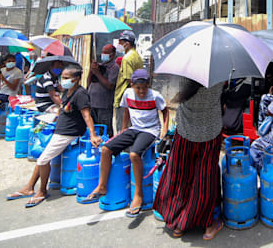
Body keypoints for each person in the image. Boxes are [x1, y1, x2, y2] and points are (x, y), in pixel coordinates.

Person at [6, 65, 102, 207]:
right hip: (59, 129)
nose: (63, 80)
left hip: (68, 133)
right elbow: (65, 108)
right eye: (62, 77)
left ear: (76, 79)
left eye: (66, 78)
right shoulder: (68, 92)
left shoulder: (81, 94)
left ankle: (42, 191)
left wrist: (93, 135)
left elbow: (86, 115)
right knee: (43, 156)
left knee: (43, 160)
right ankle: (29, 187)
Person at [82, 69, 169, 216]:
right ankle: (102, 186)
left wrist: (164, 130)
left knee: (134, 155)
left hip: (150, 131)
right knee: (106, 149)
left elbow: (165, 111)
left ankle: (138, 195)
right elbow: (127, 110)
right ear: (132, 84)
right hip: (133, 128)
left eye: (144, 87)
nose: (141, 91)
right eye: (138, 88)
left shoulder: (155, 96)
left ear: (149, 85)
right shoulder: (128, 93)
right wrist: (123, 129)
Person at [153, 77, 224, 240]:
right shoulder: (218, 73)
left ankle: (178, 224)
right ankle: (208, 226)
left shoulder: (185, 73)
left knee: (180, 176)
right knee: (204, 180)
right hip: (210, 133)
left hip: (185, 132)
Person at [114, 30, 144, 134]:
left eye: (120, 43)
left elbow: (130, 79)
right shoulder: (137, 56)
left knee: (122, 128)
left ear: (127, 44)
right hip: (134, 99)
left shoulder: (126, 58)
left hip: (125, 98)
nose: (118, 45)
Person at [88, 44, 119, 137]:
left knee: (105, 129)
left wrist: (97, 73)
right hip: (92, 102)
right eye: (102, 52)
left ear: (112, 55)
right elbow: (89, 82)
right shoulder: (99, 66)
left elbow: (110, 85)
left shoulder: (114, 67)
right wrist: (91, 70)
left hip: (104, 104)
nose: (103, 55)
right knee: (93, 128)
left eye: (106, 53)